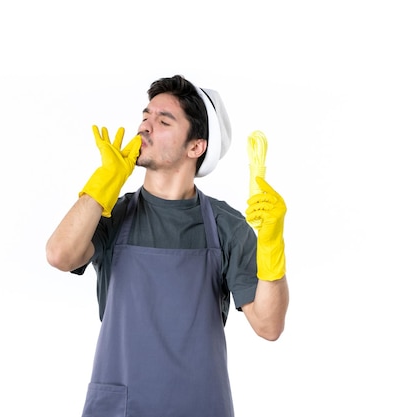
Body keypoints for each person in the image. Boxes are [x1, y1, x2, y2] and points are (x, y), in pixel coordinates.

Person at [46, 75, 289, 417]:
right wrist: (103, 184)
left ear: (196, 147)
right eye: (146, 116)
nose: (145, 126)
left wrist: (272, 244)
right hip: (121, 407)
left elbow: (269, 325)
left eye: (163, 121)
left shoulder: (225, 226)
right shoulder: (113, 213)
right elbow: (59, 254)